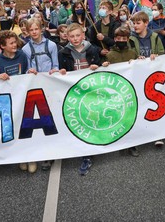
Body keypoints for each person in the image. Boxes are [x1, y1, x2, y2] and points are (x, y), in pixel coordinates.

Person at [58, 23, 100, 175]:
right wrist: (62, 72)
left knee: (93, 119)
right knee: (81, 120)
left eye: (77, 35)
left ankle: (94, 146)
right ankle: (86, 155)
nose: (75, 39)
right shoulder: (63, 53)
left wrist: (99, 66)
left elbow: (101, 65)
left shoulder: (93, 49)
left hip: (91, 90)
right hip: (75, 92)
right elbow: (63, 70)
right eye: (72, 36)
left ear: (83, 35)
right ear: (67, 37)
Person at [0, 30, 38, 173]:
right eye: (11, 43)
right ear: (2, 46)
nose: (15, 45)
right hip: (11, 100)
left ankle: (31, 157)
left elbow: (25, 71)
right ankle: (21, 157)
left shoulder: (21, 55)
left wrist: (30, 72)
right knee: (16, 129)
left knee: (28, 128)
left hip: (25, 96)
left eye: (15, 42)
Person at [102, 26, 142, 155]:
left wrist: (140, 61)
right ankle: (120, 141)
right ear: (114, 39)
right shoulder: (110, 55)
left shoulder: (132, 53)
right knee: (118, 116)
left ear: (127, 39)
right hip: (116, 91)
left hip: (130, 89)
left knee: (131, 116)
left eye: (124, 38)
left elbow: (140, 68)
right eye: (118, 38)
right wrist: (105, 65)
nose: (121, 40)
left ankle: (132, 144)